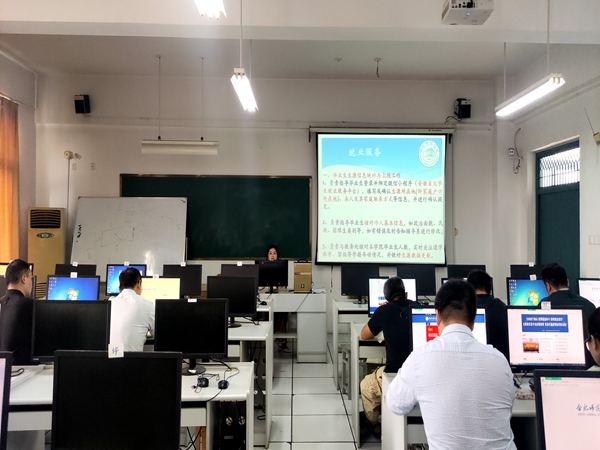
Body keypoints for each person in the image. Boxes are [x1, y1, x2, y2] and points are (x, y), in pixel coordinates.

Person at [387, 279, 517, 450]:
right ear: (473, 320)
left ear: (438, 315)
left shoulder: (420, 357)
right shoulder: (499, 360)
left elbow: (395, 404)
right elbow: (508, 404)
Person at [359, 276, 421, 436]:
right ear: (406, 294)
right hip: (421, 376)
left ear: (386, 298)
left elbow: (364, 335)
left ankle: (374, 426)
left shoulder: (384, 311)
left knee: (366, 385)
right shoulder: (419, 308)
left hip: (396, 376)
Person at [109, 267, 154, 352]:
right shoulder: (147, 305)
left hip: (108, 358)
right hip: (132, 360)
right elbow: (160, 335)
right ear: (139, 283)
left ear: (120, 288)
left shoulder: (109, 303)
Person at [466, 269, 509, 359]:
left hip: (471, 359)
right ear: (490, 290)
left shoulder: (464, 308)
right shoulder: (501, 306)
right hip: (500, 361)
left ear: (468, 290)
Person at [0, 259, 35, 365]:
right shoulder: (31, 306)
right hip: (24, 368)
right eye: (31, 278)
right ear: (23, 278)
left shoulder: (1, 303)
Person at [267, 245, 291, 353]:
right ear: (267, 256)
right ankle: (277, 337)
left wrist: (280, 286)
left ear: (277, 256)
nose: (272, 255)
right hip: (266, 300)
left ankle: (280, 339)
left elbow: (283, 287)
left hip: (278, 299)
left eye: (274, 253)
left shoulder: (282, 268)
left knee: (283, 311)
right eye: (270, 253)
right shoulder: (261, 268)